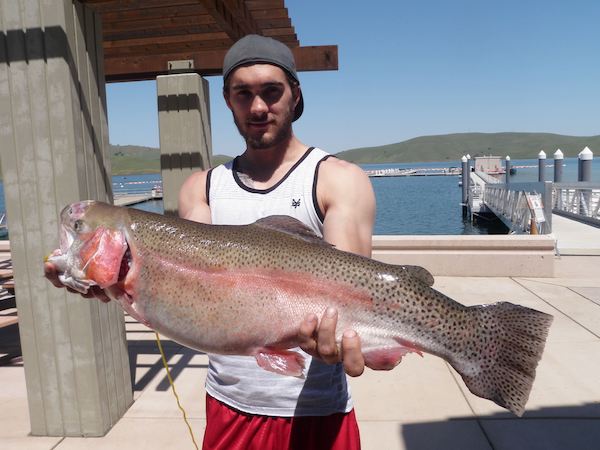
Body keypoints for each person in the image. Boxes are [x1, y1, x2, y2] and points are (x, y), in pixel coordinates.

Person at [46, 34, 377, 449]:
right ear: (227, 101)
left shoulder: (339, 179)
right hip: (229, 407)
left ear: (295, 94)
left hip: (319, 412)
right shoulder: (200, 189)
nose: (258, 107)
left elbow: (355, 293)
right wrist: (109, 284)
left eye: (271, 91)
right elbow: (191, 287)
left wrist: (349, 339)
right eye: (244, 94)